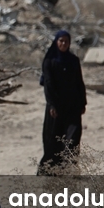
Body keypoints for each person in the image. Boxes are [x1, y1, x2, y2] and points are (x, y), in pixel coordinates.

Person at [38, 30, 87, 175]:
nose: (64, 44)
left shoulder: (73, 60)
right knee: (53, 139)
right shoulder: (49, 61)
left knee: (73, 138)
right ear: (56, 42)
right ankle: (49, 170)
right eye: (61, 41)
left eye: (66, 41)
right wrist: (52, 104)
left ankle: (69, 168)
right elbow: (48, 84)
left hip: (73, 106)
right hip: (56, 108)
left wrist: (83, 102)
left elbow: (79, 82)